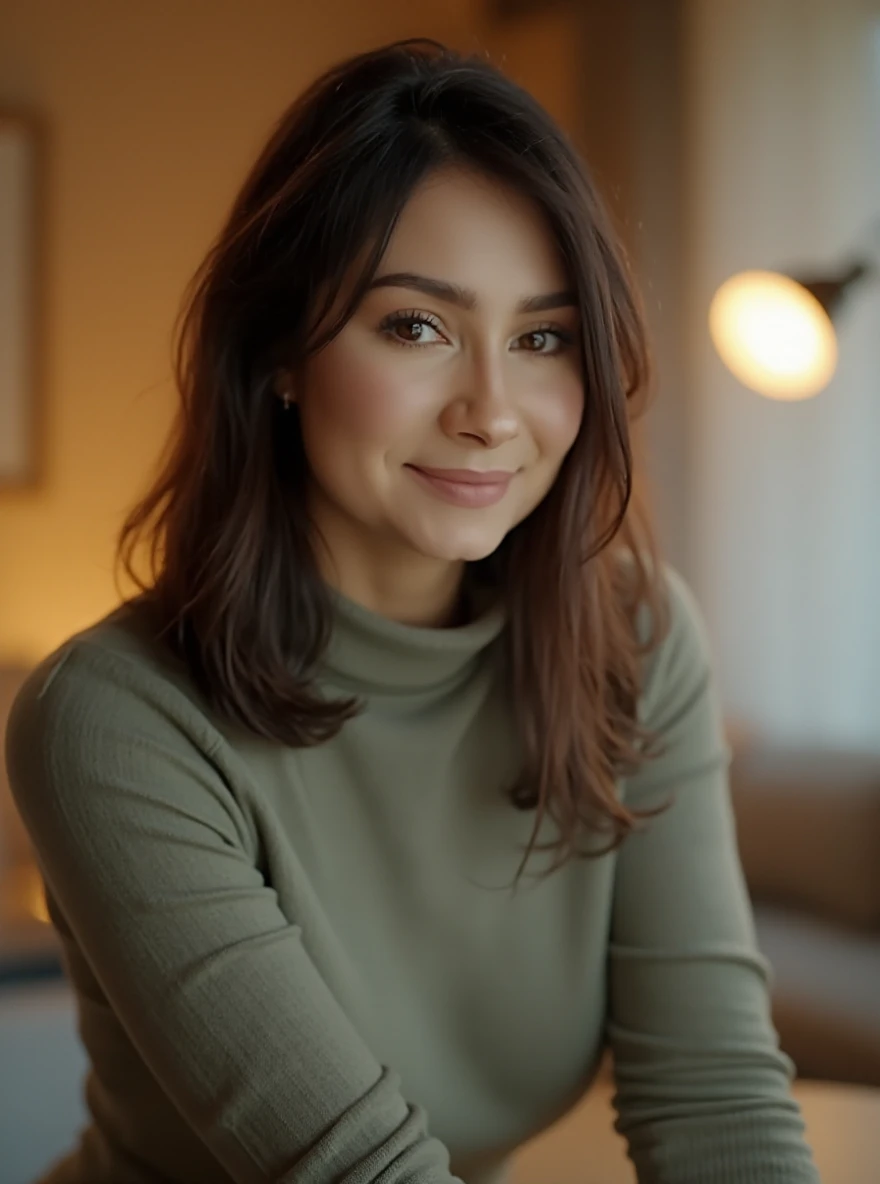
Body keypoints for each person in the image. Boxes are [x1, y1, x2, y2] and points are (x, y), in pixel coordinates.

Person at [4, 38, 820, 1184]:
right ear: (282, 346)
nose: (492, 412)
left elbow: (712, 1090)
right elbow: (356, 1169)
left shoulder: (631, 635)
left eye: (542, 339)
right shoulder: (113, 719)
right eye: (416, 327)